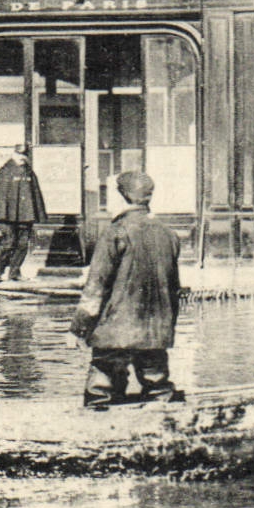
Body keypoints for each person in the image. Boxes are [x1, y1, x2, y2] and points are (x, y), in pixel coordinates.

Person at [70, 171, 182, 409]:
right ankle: (162, 424)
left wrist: (78, 329)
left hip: (115, 333)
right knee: (158, 387)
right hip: (154, 332)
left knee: (102, 389)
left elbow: (95, 288)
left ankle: (98, 429)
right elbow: (174, 291)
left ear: (121, 198)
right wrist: (166, 326)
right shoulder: (168, 234)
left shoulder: (115, 233)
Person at [0, 144, 47, 282]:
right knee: (9, 243)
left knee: (23, 244)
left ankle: (15, 272)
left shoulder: (29, 172)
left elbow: (35, 194)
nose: (22, 158)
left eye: (24, 156)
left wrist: (37, 213)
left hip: (25, 216)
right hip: (7, 217)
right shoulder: (5, 171)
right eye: (20, 155)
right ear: (14, 154)